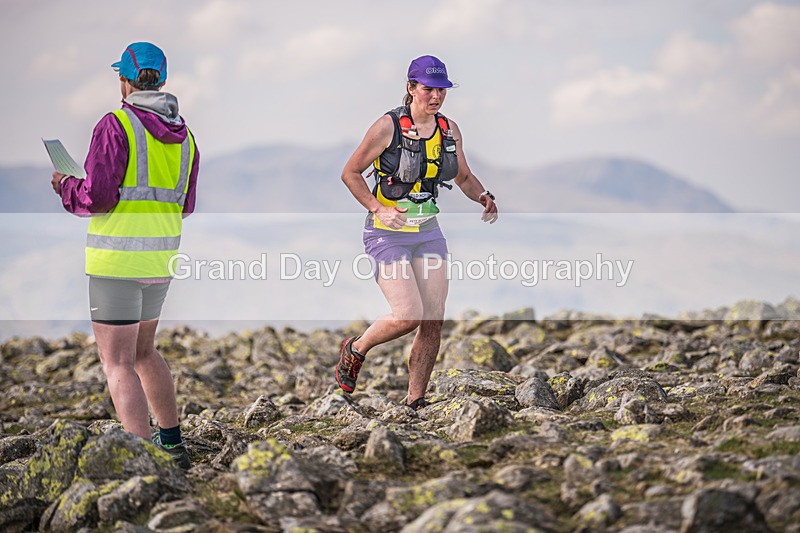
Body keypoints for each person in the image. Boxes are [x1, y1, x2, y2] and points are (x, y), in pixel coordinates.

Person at [51, 42, 198, 468]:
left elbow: (96, 198)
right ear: (163, 80)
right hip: (160, 261)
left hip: (116, 262)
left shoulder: (116, 125)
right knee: (145, 353)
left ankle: (145, 461)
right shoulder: (187, 137)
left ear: (124, 80)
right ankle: (172, 445)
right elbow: (185, 205)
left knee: (117, 363)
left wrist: (65, 186)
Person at [337, 55, 498, 409]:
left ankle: (415, 400)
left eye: (441, 90)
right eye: (428, 89)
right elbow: (350, 173)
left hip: (428, 231)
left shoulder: (448, 130)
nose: (435, 97)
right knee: (408, 314)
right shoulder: (387, 127)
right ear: (411, 88)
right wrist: (378, 208)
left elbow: (464, 177)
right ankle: (356, 348)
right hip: (386, 233)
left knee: (433, 318)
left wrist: (483, 196)